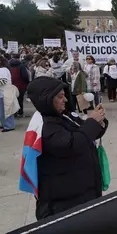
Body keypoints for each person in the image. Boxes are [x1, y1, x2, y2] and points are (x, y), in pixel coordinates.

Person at [23, 76, 108, 219]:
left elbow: (86, 132)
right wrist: (92, 122)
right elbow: (72, 145)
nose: (66, 100)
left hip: (80, 193)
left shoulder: (63, 116)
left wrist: (99, 121)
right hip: (64, 203)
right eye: (60, 96)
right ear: (47, 99)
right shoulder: (45, 126)